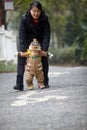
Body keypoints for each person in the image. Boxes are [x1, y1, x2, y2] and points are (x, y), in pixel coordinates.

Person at [13, 0, 51, 91]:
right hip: (26, 42)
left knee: (43, 58)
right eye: (34, 11)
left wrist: (44, 49)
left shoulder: (45, 19)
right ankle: (19, 83)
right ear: (30, 10)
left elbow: (47, 34)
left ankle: (45, 81)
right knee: (21, 59)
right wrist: (23, 50)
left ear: (41, 11)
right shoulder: (24, 19)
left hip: (40, 43)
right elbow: (21, 34)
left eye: (38, 11)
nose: (36, 13)